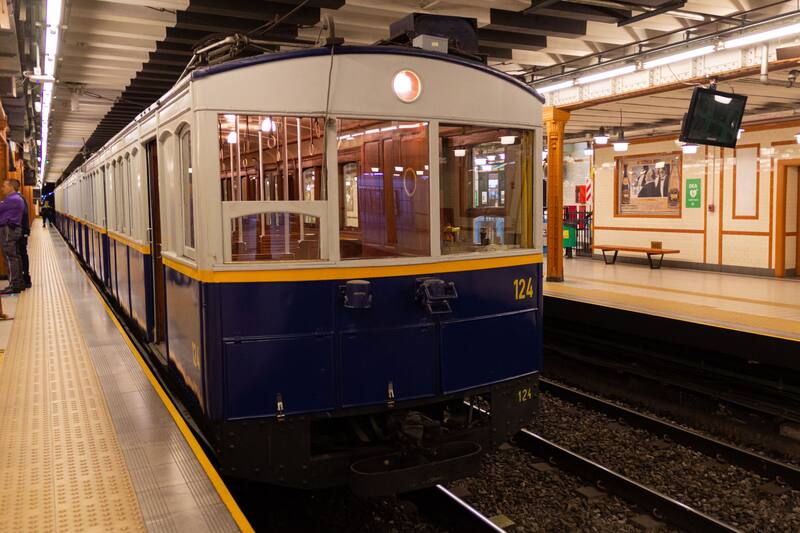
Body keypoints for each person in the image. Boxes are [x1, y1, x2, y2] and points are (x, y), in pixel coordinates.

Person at [0, 179, 25, 294]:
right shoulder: (17, 199)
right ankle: (19, 283)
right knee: (15, 256)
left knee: (10, 257)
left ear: (11, 187)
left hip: (8, 230)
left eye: (4, 186)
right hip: (13, 229)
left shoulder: (11, 199)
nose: (2, 188)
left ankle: (13, 284)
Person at [14, 181, 31, 289]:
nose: (3, 188)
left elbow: (24, 215)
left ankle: (25, 279)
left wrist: (25, 232)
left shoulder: (18, 199)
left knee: (21, 254)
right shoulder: (21, 198)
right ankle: (24, 278)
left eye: (4, 186)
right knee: (22, 254)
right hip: (22, 232)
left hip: (20, 232)